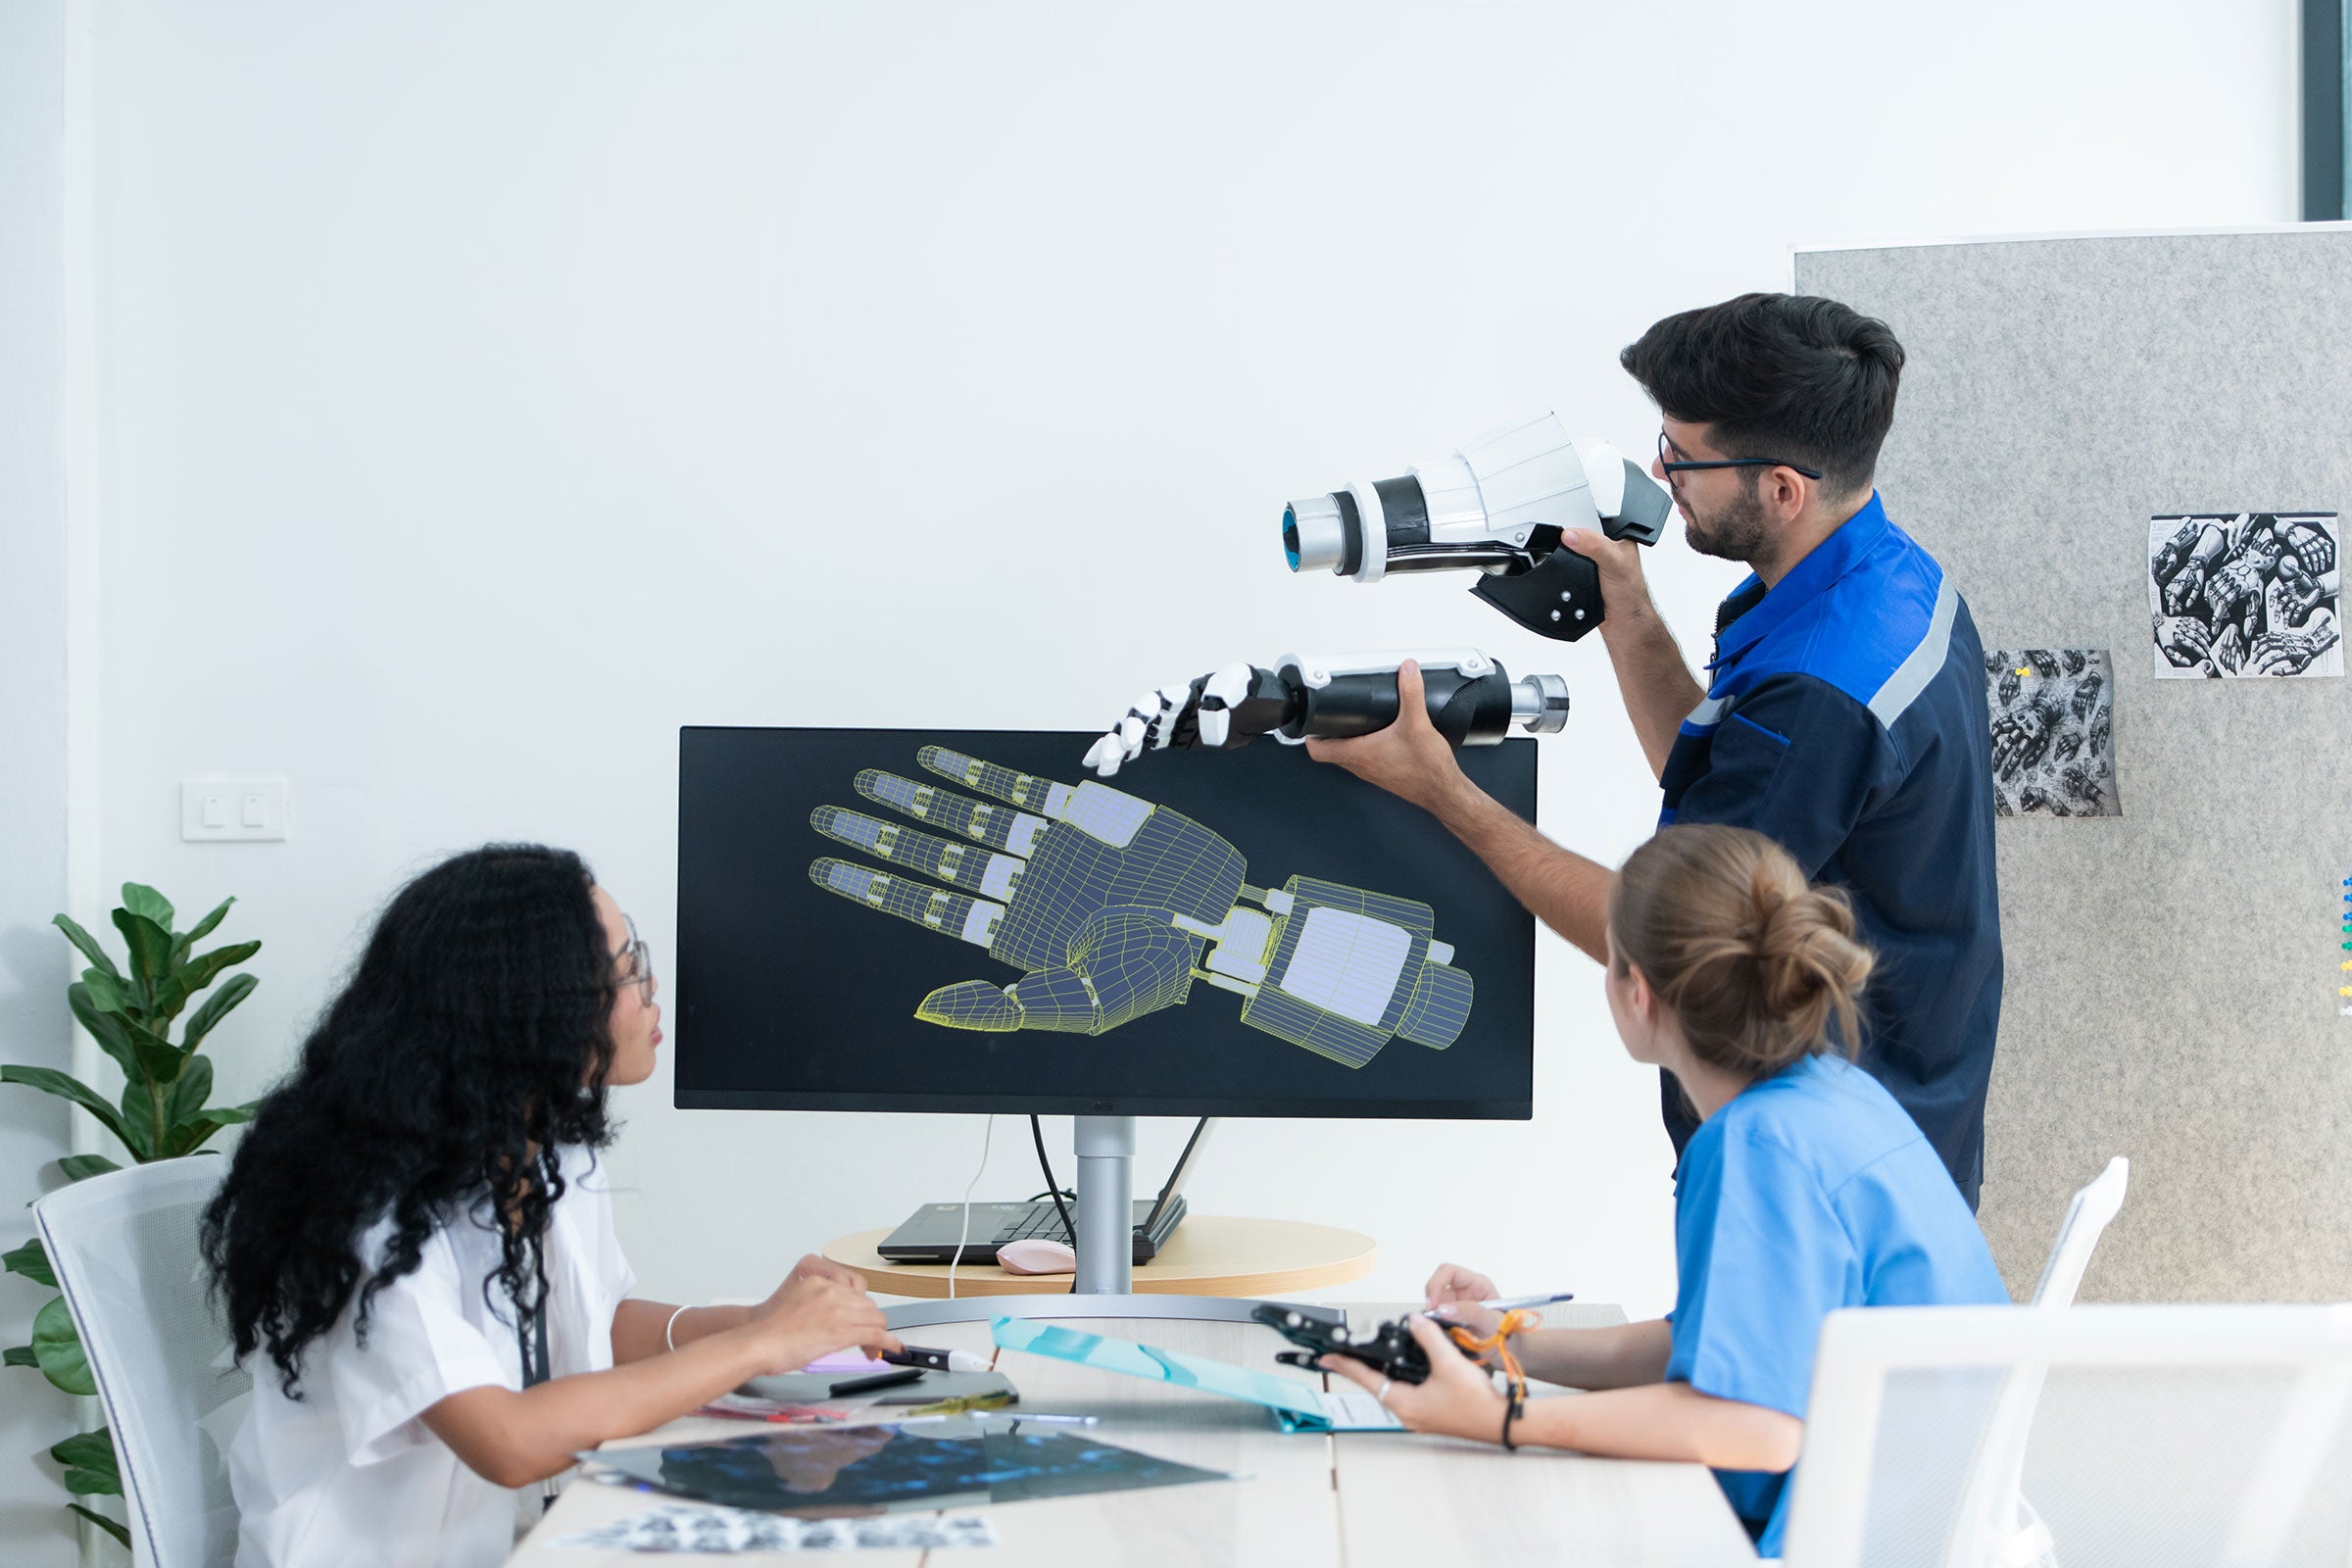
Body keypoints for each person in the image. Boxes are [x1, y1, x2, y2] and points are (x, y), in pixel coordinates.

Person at [1310, 293, 2001, 1206]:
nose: (1660, 469)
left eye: (1686, 455)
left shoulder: (1819, 693)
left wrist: (1446, 794)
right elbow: (1731, 795)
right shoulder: (1886, 582)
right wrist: (1625, 613)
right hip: (1891, 1127)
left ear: (1783, 489)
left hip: (1820, 1173)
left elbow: (1660, 941)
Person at [203, 844, 902, 1568]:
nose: (651, 987)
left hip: (532, 1541)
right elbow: (507, 1442)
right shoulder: (372, 1211)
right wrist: (757, 1347)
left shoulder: (547, 1150)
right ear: (533, 1006)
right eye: (626, 967)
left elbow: (597, 1321)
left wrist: (759, 1320)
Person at [1318, 824, 2008, 1556]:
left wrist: (1498, 1419)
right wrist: (1508, 1349)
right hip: (1911, 1530)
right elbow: (1719, 1349)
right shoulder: (1833, 1097)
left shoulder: (1754, 1147)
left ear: (1637, 993)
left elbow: (1756, 1427)